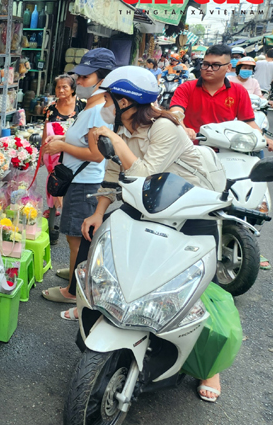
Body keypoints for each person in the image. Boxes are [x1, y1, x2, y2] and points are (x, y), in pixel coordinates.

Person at [70, 65, 226, 403]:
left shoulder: (164, 127)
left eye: (108, 99)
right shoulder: (121, 128)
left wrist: (115, 141)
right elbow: (113, 175)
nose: (104, 105)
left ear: (125, 101)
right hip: (147, 204)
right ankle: (93, 304)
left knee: (198, 286)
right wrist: (98, 212)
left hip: (191, 208)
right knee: (101, 240)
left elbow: (144, 173)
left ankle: (208, 366)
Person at [39, 48, 115, 306]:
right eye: (79, 77)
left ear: (102, 79)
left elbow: (96, 154)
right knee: (76, 237)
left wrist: (62, 146)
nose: (79, 82)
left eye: (85, 77)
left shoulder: (97, 110)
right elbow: (83, 140)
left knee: (77, 239)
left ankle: (73, 292)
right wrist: (63, 138)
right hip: (80, 180)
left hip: (84, 182)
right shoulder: (91, 105)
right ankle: (74, 274)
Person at [169, 44, 273, 151]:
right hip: (191, 148)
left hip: (225, 149)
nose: (209, 69)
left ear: (228, 67)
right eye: (205, 64)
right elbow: (176, 113)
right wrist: (184, 129)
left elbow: (248, 121)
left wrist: (265, 139)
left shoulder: (239, 91)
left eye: (216, 65)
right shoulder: (186, 88)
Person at [40, 74, 86, 243]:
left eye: (65, 87)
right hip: (53, 152)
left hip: (74, 151)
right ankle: (52, 225)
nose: (61, 90)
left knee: (71, 187)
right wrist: (43, 151)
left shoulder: (82, 105)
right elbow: (46, 130)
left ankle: (70, 221)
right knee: (55, 184)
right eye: (58, 87)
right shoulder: (51, 108)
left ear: (72, 89)